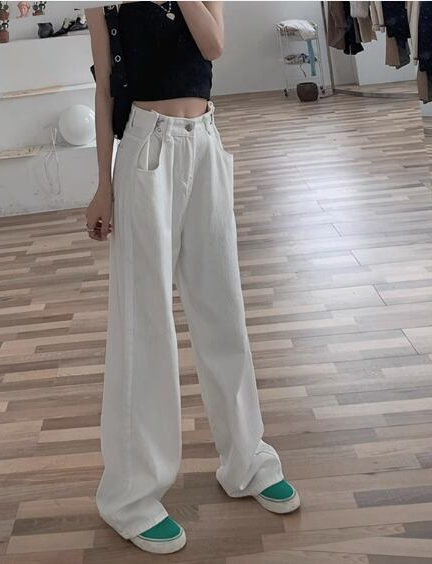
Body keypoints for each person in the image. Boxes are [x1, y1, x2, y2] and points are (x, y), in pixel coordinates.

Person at [85, 1, 300, 554]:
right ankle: (131, 495)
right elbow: (104, 90)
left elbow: (213, 46)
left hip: (205, 143)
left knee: (223, 309)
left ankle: (247, 460)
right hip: (144, 152)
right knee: (145, 324)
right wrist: (103, 186)